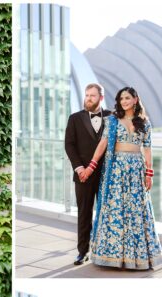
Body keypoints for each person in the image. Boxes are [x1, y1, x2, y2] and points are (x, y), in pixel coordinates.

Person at [82, 86, 162, 270]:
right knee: (116, 208)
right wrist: (91, 165)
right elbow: (103, 144)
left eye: (127, 98)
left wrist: (149, 173)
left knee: (136, 210)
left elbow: (148, 149)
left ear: (135, 99)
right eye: (121, 99)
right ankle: (111, 256)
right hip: (116, 170)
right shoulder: (112, 120)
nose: (124, 101)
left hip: (136, 169)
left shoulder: (144, 122)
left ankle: (138, 257)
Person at [64, 83, 111, 265]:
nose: (88, 98)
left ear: (101, 97)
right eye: (86, 95)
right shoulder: (75, 118)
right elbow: (69, 144)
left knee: (107, 213)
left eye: (92, 95)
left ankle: (105, 252)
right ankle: (83, 252)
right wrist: (79, 168)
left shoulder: (112, 117)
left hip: (107, 174)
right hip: (83, 174)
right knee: (84, 214)